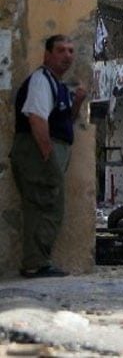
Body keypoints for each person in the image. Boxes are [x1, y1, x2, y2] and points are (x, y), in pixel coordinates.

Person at [11, 34, 86, 278]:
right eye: (61, 50)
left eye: (71, 51)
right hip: (38, 151)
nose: (67, 56)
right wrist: (47, 155)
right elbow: (36, 118)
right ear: (47, 55)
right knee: (46, 206)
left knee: (45, 204)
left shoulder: (57, 85)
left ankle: (37, 261)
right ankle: (36, 263)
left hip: (47, 151)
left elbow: (64, 123)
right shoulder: (41, 81)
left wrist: (76, 103)